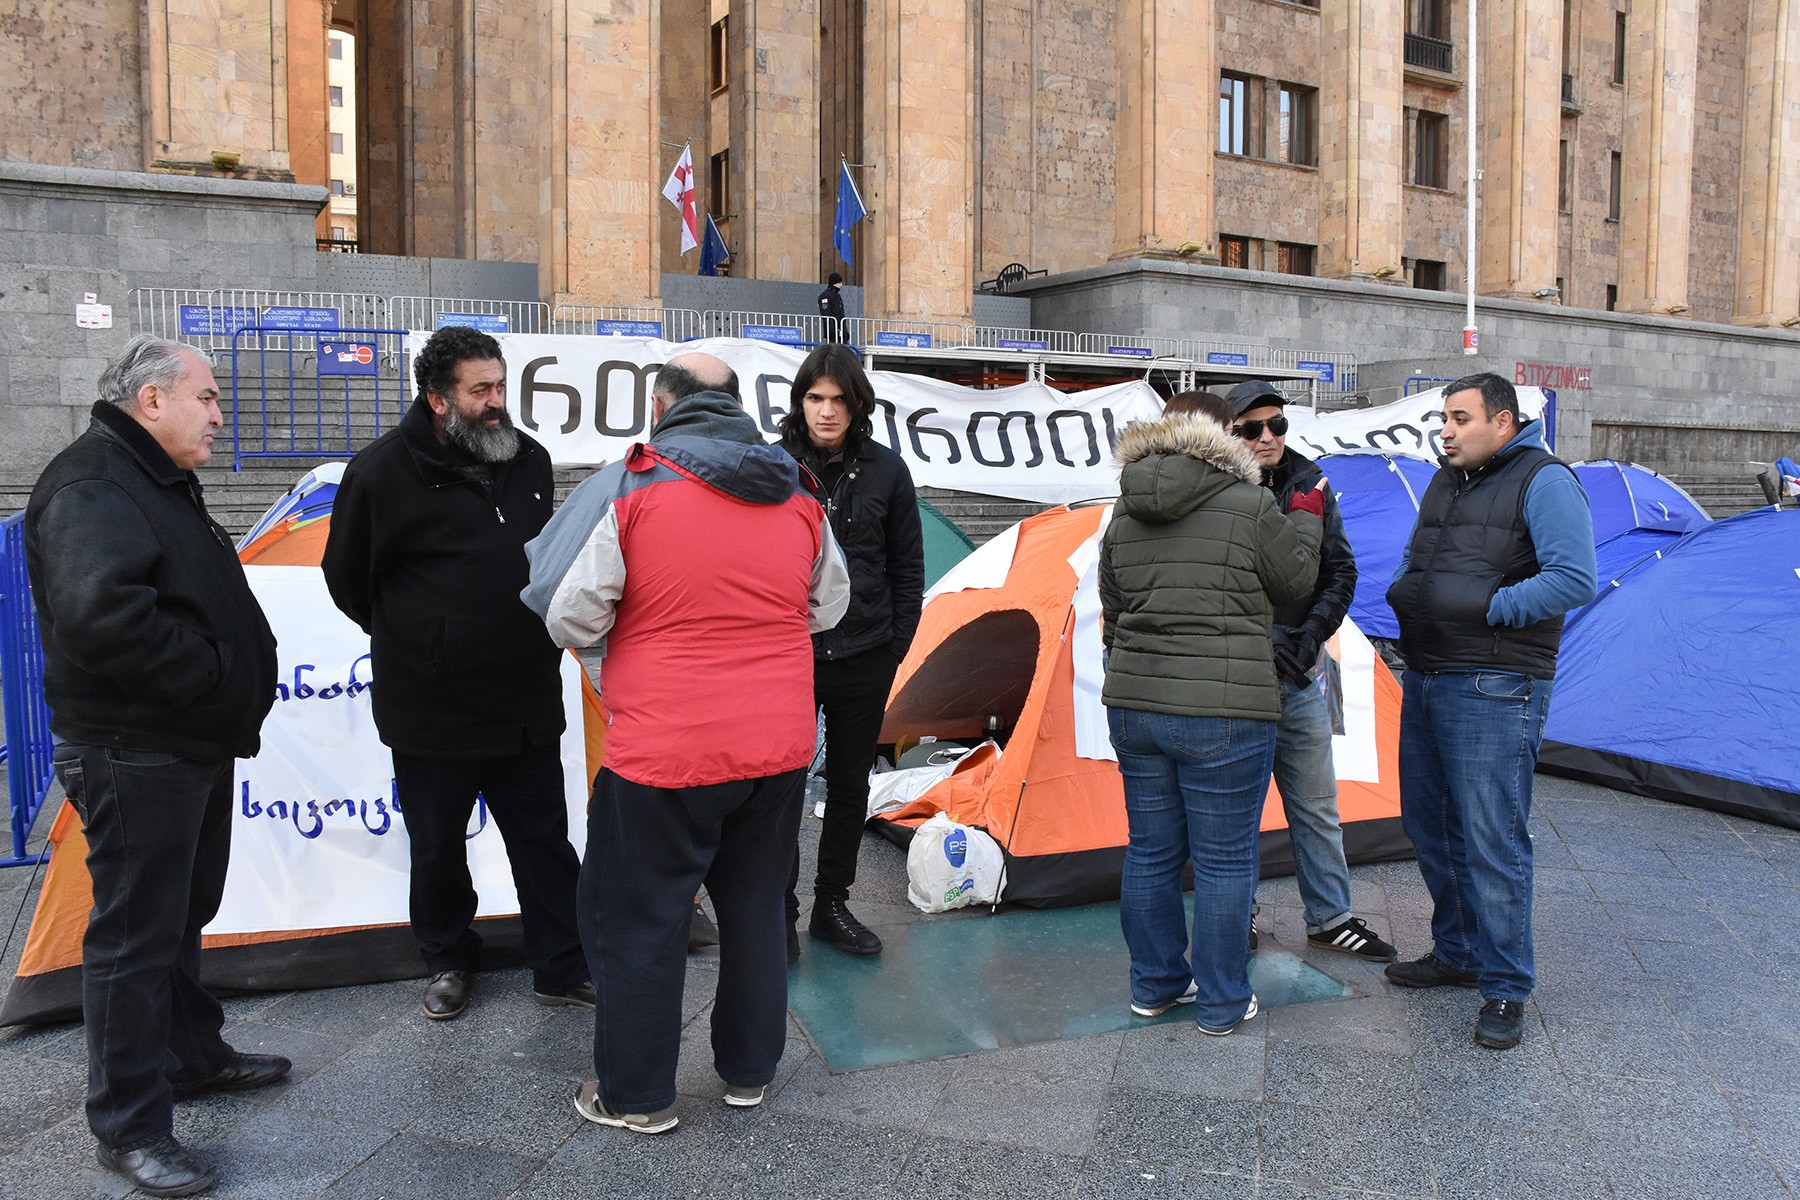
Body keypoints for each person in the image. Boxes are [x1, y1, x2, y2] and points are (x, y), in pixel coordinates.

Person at [522, 352, 849, 1134]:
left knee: (638, 917)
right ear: (736, 405)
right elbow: (829, 604)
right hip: (775, 744)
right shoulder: (798, 489)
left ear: (662, 404)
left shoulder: (634, 482)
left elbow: (569, 613)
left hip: (665, 750)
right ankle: (748, 1072)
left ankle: (635, 1095)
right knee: (755, 909)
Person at [25, 336, 285, 1197]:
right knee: (136, 938)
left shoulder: (149, 474)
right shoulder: (95, 482)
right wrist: (216, 678)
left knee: (179, 918)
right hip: (137, 748)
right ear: (151, 400)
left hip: (185, 745)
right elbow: (106, 621)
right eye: (206, 398)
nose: (219, 414)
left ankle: (191, 1056)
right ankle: (131, 1126)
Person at [321, 325, 592, 1022]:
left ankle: (561, 964)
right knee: (438, 849)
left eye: (501, 386)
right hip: (432, 707)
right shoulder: (380, 472)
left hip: (525, 697)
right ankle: (447, 958)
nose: (497, 401)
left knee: (544, 843)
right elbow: (348, 579)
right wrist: (425, 641)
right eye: (481, 390)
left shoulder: (529, 459)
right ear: (440, 400)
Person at [1100, 394, 1325, 1036]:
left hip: (1137, 706)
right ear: (1221, 436)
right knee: (1225, 862)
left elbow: (1112, 605)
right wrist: (1305, 517)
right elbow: (1297, 583)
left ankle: (1155, 985)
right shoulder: (1252, 504)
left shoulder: (1125, 506)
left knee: (1150, 852)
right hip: (1226, 712)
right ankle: (1224, 1001)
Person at [1384, 372, 1596, 1051]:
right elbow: (1429, 559)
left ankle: (1505, 985)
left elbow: (1574, 578)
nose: (1445, 429)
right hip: (1427, 673)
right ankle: (1459, 952)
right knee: (1430, 826)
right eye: (1443, 418)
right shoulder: (1450, 480)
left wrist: (1489, 610)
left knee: (1492, 839)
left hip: (1496, 684)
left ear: (1502, 422)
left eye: (1459, 417)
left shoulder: (1546, 480)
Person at [1224, 381, 1396, 963]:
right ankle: (1236, 914)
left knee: (1317, 802)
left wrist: (1308, 636)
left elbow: (1339, 571)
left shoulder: (1310, 479)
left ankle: (1331, 918)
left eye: (1277, 425)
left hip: (1299, 669)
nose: (1267, 437)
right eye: (1252, 428)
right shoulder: (1217, 486)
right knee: (1238, 807)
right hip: (1239, 673)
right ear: (1229, 432)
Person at [779, 344, 924, 960]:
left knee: (848, 788)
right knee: (779, 789)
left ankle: (830, 905)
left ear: (857, 403)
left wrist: (893, 649)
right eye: (816, 397)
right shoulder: (774, 465)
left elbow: (907, 569)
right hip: (790, 655)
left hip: (866, 653)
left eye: (839, 399)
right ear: (800, 402)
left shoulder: (888, 471)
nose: (827, 411)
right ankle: (775, 910)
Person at [817, 272, 846, 342]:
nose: (841, 285)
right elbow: (826, 314)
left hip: (840, 330)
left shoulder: (837, 296)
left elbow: (841, 314)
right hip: (832, 332)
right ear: (834, 283)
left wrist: (845, 331)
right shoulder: (825, 296)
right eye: (839, 283)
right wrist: (831, 331)